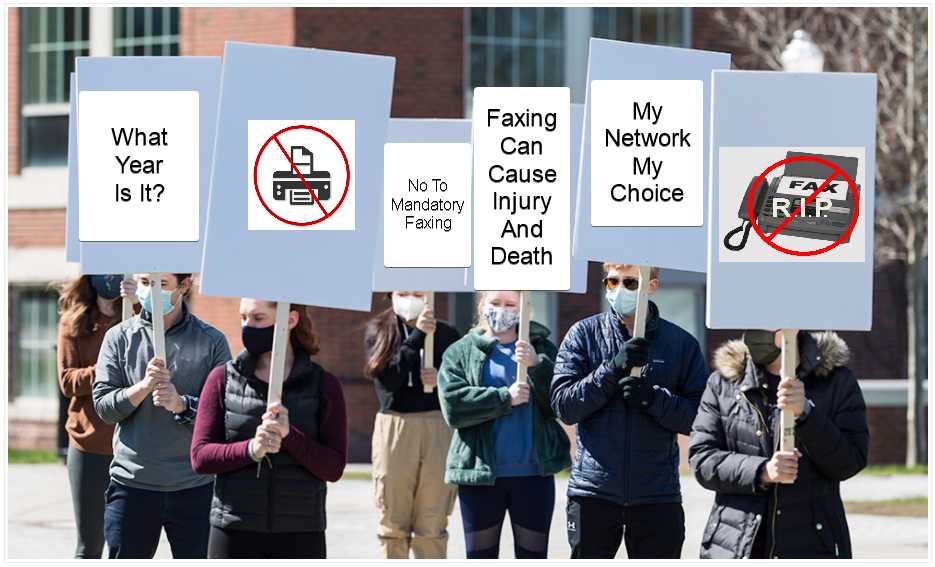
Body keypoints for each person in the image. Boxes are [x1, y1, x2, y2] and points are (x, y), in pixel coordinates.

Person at [550, 263, 708, 559]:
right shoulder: (582, 335)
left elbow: (700, 418)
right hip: (593, 492)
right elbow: (564, 406)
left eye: (631, 283)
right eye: (612, 282)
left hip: (657, 493)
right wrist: (609, 371)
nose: (619, 289)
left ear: (652, 285)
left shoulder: (681, 344)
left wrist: (653, 399)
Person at [689, 329, 869, 559]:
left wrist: (807, 414)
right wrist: (761, 471)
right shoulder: (723, 383)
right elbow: (702, 460)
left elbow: (850, 461)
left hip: (811, 546)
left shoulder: (836, 381)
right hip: (736, 546)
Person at [191, 299, 347, 559]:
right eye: (243, 318)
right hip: (234, 528)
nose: (248, 326)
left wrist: (290, 436)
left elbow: (333, 468)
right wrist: (251, 449)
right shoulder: (222, 379)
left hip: (301, 531)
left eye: (258, 318)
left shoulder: (324, 385)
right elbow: (200, 457)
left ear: (290, 319)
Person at [92, 273, 231, 559]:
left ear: (185, 285)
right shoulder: (118, 338)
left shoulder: (212, 341)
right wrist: (142, 388)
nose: (151, 292)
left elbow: (226, 412)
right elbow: (104, 408)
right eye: (145, 282)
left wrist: (182, 405)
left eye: (162, 285)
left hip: (195, 486)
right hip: (132, 485)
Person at [438, 290, 571, 559]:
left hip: (533, 475)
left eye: (511, 304)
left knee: (532, 557)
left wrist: (537, 366)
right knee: (480, 557)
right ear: (482, 305)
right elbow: (453, 408)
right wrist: (503, 398)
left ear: (524, 308)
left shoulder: (543, 348)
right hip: (481, 477)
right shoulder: (461, 351)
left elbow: (562, 405)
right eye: (495, 303)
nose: (502, 310)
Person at [363, 291, 461, 558]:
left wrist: (441, 377)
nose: (410, 299)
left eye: (417, 293)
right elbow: (388, 380)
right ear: (390, 295)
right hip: (395, 424)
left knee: (432, 521)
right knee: (393, 520)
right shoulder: (379, 330)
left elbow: (462, 382)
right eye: (403, 293)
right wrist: (416, 338)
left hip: (437, 425)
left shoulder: (447, 334)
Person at [56, 275, 124, 558]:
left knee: (125, 545)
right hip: (89, 444)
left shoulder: (136, 314)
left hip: (131, 447)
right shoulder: (73, 322)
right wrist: (104, 368)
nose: (111, 277)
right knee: (90, 545)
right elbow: (67, 381)